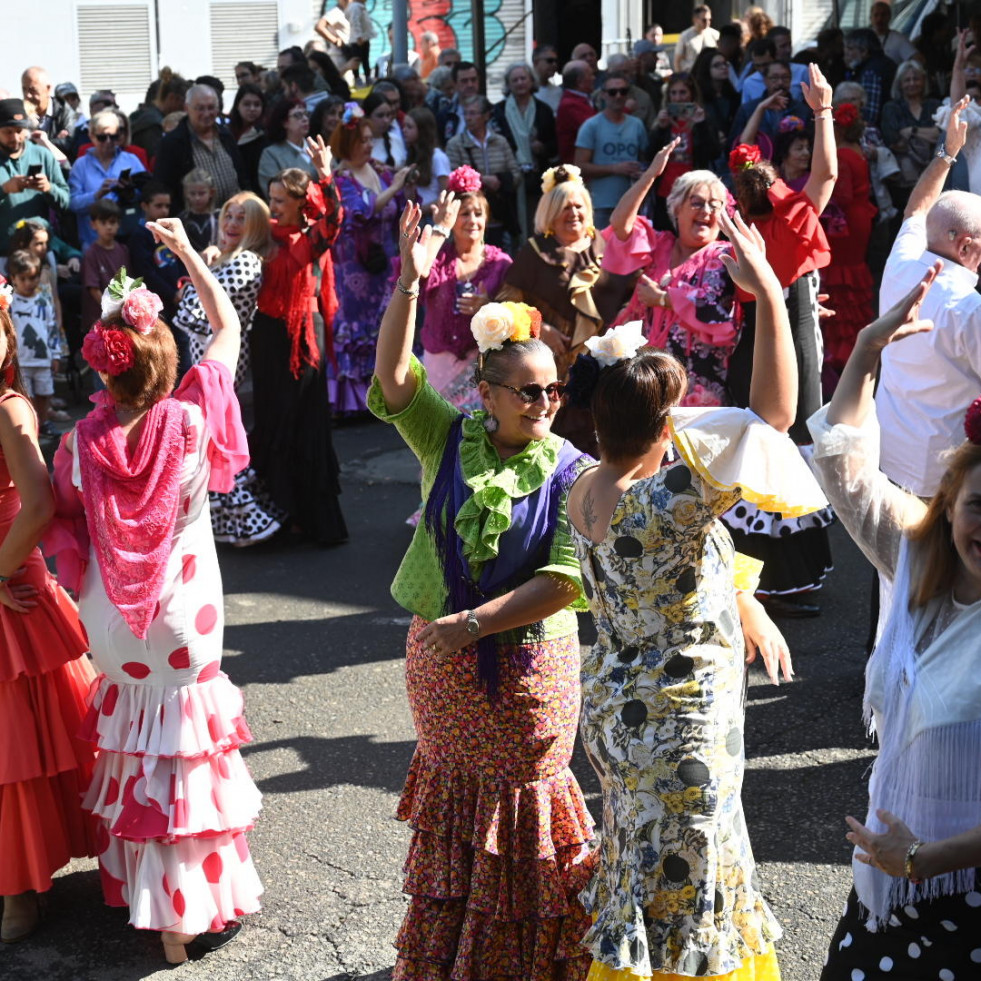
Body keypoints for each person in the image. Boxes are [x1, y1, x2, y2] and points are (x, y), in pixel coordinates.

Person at [567, 210, 826, 980]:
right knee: (695, 870)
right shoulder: (668, 500)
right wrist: (773, 298)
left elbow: (663, 429)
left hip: (613, 712)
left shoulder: (585, 486)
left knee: (636, 859)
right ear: (661, 428)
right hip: (679, 718)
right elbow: (773, 416)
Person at [370, 201, 596, 981]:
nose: (543, 404)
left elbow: (563, 581)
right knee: (458, 808)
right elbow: (393, 378)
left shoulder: (573, 468)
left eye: (553, 391)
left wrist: (474, 622)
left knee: (527, 809)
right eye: (527, 391)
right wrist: (408, 278)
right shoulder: (446, 435)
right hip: (442, 664)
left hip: (530, 671)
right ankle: (453, 960)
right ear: (488, 392)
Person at [48, 245, 262, 966]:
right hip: (181, 614)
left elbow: (67, 521)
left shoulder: (80, 442)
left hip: (108, 617)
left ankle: (135, 893)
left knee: (135, 752)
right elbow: (228, 324)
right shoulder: (194, 417)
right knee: (184, 762)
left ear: (104, 366)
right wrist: (186, 253)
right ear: (164, 356)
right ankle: (180, 920)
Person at [807, 263, 981, 979]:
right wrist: (867, 352)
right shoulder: (917, 564)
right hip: (886, 888)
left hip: (957, 898)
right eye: (978, 506)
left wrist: (922, 858)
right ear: (948, 505)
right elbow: (844, 469)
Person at [0, 278, 96, 944]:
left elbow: (37, 504)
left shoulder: (8, 409)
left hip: (11, 580)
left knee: (22, 748)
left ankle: (21, 889)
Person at [725, 63, 838, 615]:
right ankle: (778, 582)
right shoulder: (792, 219)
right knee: (790, 455)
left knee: (761, 454)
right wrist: (822, 112)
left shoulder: (745, 235)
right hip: (793, 349)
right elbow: (828, 176)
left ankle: (754, 580)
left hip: (755, 351)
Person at [876, 96, 981, 499]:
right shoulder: (968, 308)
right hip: (942, 475)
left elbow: (916, 209)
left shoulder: (900, 263)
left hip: (889, 457)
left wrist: (948, 152)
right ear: (966, 245)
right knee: (932, 562)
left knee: (890, 561)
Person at [251, 136, 347, 544]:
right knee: (272, 422)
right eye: (270, 197)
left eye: (280, 200)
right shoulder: (262, 235)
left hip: (304, 341)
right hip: (268, 339)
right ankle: (278, 519)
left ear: (298, 202)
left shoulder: (310, 239)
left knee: (305, 424)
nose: (273, 205)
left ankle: (311, 519)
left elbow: (335, 219)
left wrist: (324, 172)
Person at [497, 165, 635, 451]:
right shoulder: (535, 251)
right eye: (564, 207)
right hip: (553, 368)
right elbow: (504, 306)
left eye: (578, 206)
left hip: (603, 365)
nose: (573, 213)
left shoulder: (605, 245)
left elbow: (628, 295)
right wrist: (540, 328)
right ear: (550, 212)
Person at [173, 192, 283, 546]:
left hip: (221, 364)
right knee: (209, 437)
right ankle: (228, 524)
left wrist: (199, 269)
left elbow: (191, 307)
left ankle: (247, 524)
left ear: (255, 226)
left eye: (241, 218)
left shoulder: (246, 263)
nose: (232, 224)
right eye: (228, 216)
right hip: (208, 359)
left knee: (215, 439)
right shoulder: (226, 259)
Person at [603, 146, 737, 409]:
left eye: (715, 205)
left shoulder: (725, 256)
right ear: (676, 209)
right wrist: (650, 175)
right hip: (645, 377)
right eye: (696, 203)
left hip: (697, 386)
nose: (706, 211)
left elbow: (717, 311)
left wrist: (665, 299)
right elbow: (620, 225)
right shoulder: (659, 244)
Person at [329, 110, 408, 414]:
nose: (368, 146)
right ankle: (358, 401)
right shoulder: (341, 179)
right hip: (354, 272)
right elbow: (362, 209)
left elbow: (396, 210)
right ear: (347, 143)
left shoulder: (379, 171)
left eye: (369, 140)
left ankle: (390, 391)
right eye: (361, 141)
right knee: (359, 331)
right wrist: (394, 186)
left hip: (385, 265)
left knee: (387, 327)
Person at [410, 176, 512, 412]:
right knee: (442, 434)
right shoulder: (437, 257)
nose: (473, 220)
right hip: (440, 362)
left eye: (478, 213)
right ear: (452, 218)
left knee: (482, 434)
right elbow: (415, 274)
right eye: (465, 214)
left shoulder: (501, 263)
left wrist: (488, 307)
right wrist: (439, 228)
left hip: (484, 363)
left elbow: (517, 316)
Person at [821, 102, 877, 388]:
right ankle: (854, 339)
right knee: (853, 277)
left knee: (841, 280)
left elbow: (839, 196)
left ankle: (841, 348)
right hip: (860, 219)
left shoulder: (842, 154)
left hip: (846, 224)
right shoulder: (857, 150)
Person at [154, 84, 247, 212]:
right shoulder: (172, 143)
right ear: (187, 108)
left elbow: (242, 176)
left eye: (211, 108)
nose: (207, 113)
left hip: (234, 217)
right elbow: (166, 188)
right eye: (200, 108)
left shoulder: (226, 135)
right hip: (195, 222)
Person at [573, 73, 647, 231]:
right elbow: (579, 166)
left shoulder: (637, 124)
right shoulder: (591, 126)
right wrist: (615, 169)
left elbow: (644, 159)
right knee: (601, 252)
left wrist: (640, 172)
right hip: (601, 203)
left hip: (632, 202)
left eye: (623, 91)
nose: (618, 96)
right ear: (603, 95)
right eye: (613, 92)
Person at [492, 62, 557, 238]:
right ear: (508, 85)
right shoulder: (498, 111)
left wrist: (542, 147)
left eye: (523, 78)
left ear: (531, 81)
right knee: (514, 228)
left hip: (537, 178)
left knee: (538, 225)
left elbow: (554, 144)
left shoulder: (544, 110)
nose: (520, 83)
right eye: (515, 80)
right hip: (511, 178)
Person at [446, 96, 521, 247]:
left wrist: (500, 181)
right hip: (470, 216)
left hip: (500, 215)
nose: (468, 118)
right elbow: (453, 176)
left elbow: (516, 173)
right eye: (466, 114)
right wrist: (483, 180)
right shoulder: (456, 144)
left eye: (473, 113)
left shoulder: (500, 141)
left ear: (486, 116)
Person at [649, 74, 721, 229]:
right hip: (665, 192)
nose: (678, 98)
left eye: (683, 92)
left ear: (692, 94)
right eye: (673, 93)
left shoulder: (703, 120)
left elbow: (714, 152)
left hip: (694, 191)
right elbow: (649, 155)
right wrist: (660, 129)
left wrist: (701, 125)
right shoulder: (664, 122)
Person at [68, 109, 146, 250]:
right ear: (91, 136)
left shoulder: (131, 160)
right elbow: (72, 203)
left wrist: (130, 193)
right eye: (102, 137)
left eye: (114, 136)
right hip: (93, 243)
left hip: (128, 239)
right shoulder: (81, 165)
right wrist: (96, 195)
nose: (108, 142)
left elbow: (147, 196)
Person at [0, 98, 70, 255]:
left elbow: (65, 202)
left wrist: (48, 189)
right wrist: (4, 189)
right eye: (8, 132)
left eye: (19, 131)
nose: (15, 138)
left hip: (41, 252)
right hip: (3, 255)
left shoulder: (42, 155)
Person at [6, 250, 62, 435]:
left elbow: (52, 328)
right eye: (23, 279)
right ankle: (30, 426)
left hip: (43, 358)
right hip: (21, 360)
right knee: (26, 395)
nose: (29, 283)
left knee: (45, 392)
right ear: (13, 278)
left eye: (33, 278)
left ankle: (44, 421)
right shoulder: (10, 304)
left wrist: (55, 354)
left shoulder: (44, 302)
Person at [880, 60, 940, 212]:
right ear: (899, 84)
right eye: (907, 80)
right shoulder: (891, 108)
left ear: (923, 81)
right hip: (904, 180)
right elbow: (895, 142)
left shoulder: (934, 105)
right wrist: (927, 133)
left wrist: (911, 131)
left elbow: (939, 136)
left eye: (916, 79)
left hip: (935, 171)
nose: (912, 83)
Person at [80, 199, 129, 332]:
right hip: (99, 319)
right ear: (93, 225)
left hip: (121, 316)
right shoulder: (91, 254)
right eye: (103, 222)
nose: (108, 227)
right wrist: (111, 309)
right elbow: (93, 289)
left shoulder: (123, 250)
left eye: (112, 222)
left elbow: (128, 282)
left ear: (118, 224)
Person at [258, 101, 317, 198]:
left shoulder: (318, 148)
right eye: (298, 115)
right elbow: (273, 193)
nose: (305, 119)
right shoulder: (271, 154)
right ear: (284, 123)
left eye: (306, 114)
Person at [129, 69, 190, 159]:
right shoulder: (154, 124)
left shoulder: (151, 117)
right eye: (184, 102)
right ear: (172, 98)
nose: (185, 109)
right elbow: (156, 158)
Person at [843, 29, 896, 126]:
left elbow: (870, 114)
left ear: (863, 51)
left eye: (850, 49)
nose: (846, 53)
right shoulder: (885, 63)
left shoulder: (871, 72)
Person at [401, 106, 449, 213]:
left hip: (431, 216)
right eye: (404, 126)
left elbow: (445, 194)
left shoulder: (438, 157)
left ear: (423, 130)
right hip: (416, 214)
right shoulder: (412, 155)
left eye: (409, 127)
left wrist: (421, 210)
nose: (404, 130)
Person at [21, 67, 77, 156]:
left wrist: (41, 140)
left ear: (48, 88)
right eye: (24, 89)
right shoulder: (20, 113)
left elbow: (67, 144)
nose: (28, 95)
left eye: (33, 90)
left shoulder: (64, 112)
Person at [693, 47, 741, 151]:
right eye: (717, 65)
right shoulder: (700, 97)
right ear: (707, 69)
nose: (723, 67)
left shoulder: (733, 96)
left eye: (725, 64)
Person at [228, 83, 267, 195]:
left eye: (257, 104)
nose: (252, 109)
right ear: (237, 105)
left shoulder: (265, 133)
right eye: (246, 104)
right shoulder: (227, 133)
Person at [556, 60, 596, 163]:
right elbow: (597, 129)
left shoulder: (582, 100)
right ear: (580, 81)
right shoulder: (570, 105)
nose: (594, 78)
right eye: (591, 75)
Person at [436, 61, 482, 144]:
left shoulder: (492, 112)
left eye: (473, 80)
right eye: (464, 81)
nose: (470, 84)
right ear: (455, 84)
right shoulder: (445, 116)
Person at [177, 168, 218, 252]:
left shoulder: (220, 217)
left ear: (211, 192)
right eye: (192, 193)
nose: (197, 198)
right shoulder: (182, 219)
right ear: (186, 193)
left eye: (201, 193)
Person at [674, 4, 720, 74]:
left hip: (710, 75)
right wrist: (680, 78)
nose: (707, 22)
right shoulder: (685, 36)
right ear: (695, 19)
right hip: (691, 75)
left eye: (709, 19)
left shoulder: (715, 34)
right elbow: (677, 61)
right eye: (704, 20)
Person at [869, 0, 917, 65]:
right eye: (876, 15)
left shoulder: (899, 39)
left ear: (889, 17)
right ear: (870, 18)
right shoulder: (863, 39)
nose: (879, 19)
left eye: (883, 15)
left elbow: (918, 60)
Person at [532, 45, 563, 112]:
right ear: (536, 63)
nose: (554, 64)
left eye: (556, 61)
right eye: (550, 61)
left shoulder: (558, 91)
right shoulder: (525, 91)